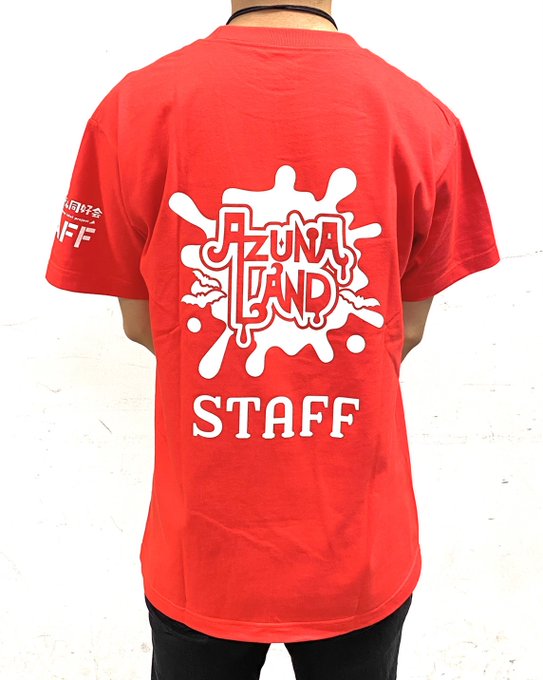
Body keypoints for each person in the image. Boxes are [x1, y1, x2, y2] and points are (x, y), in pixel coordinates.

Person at [44, 1, 501, 678]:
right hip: (359, 551)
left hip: (202, 552)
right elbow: (402, 327)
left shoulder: (134, 108)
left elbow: (145, 325)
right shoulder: (420, 115)